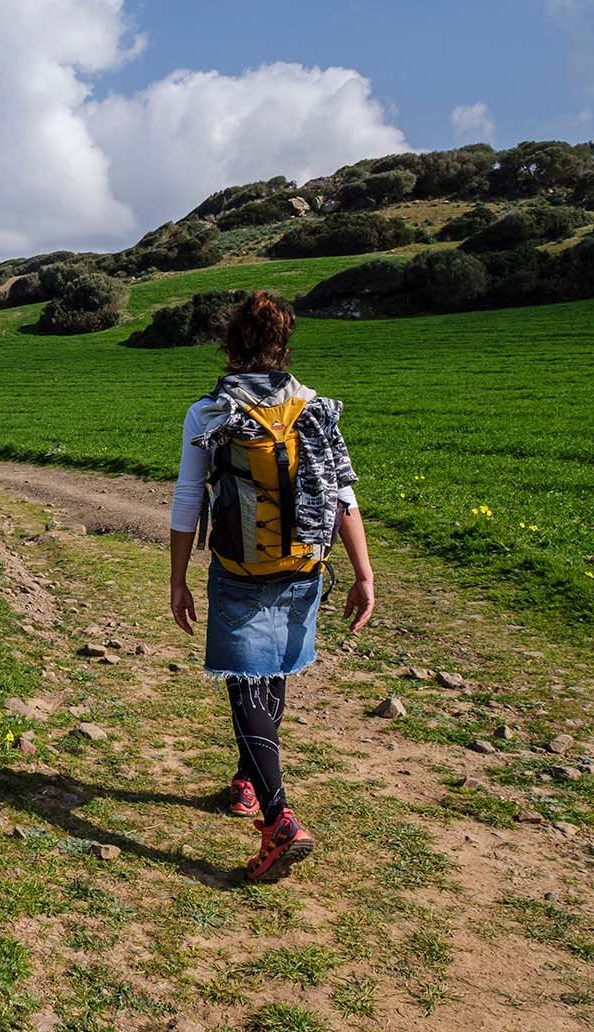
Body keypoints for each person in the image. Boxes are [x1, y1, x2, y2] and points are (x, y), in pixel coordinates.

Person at [168, 291, 375, 882]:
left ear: (231, 347)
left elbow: (189, 499)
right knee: (273, 671)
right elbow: (343, 495)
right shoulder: (315, 408)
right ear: (283, 345)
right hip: (305, 563)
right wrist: (364, 573)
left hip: (240, 569)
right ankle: (247, 783)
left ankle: (279, 819)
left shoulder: (210, 411)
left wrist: (178, 578)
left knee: (244, 682)